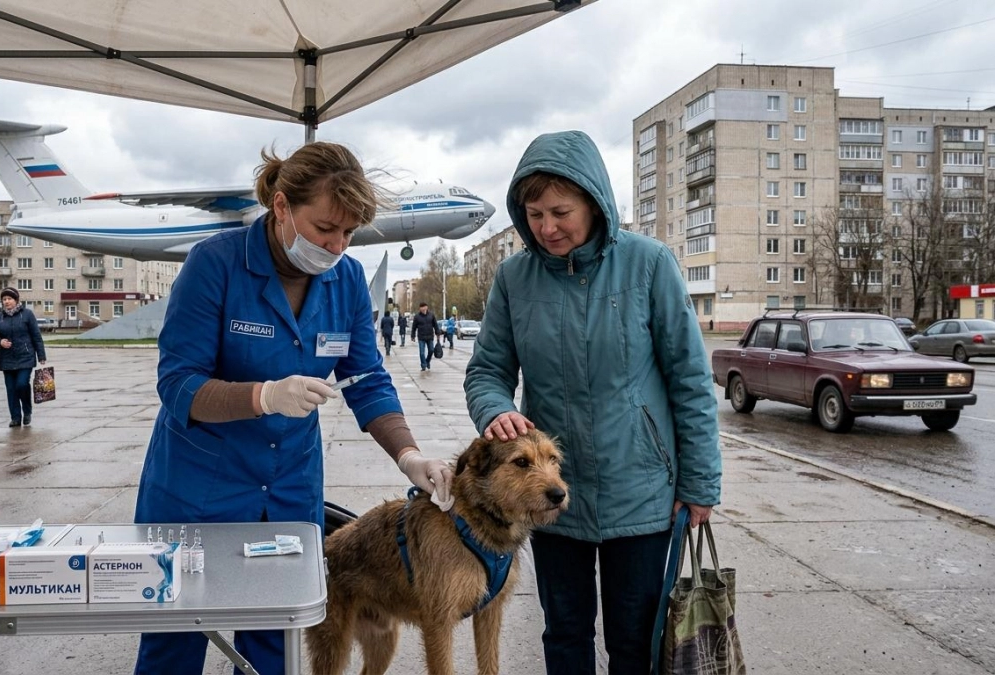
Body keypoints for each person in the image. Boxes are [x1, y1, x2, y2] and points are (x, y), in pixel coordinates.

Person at [133, 142, 454, 675]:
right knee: (176, 640)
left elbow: (366, 378)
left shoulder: (346, 280)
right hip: (199, 490)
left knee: (273, 642)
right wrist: (262, 396)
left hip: (287, 487)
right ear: (281, 206)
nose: (337, 245)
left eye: (349, 233)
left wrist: (409, 456)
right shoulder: (215, 263)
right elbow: (178, 384)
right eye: (325, 228)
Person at [464, 131, 721, 674]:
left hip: (640, 492)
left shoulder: (649, 264)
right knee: (564, 635)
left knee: (635, 642)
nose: (547, 228)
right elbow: (487, 371)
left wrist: (700, 482)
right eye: (534, 214)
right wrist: (494, 410)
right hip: (549, 495)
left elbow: (690, 380)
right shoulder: (513, 278)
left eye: (561, 212)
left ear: (595, 203)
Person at [0, 288, 46, 427]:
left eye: (9, 299)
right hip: (7, 358)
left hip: (25, 356)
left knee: (22, 384)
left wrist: (41, 355)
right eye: (4, 299)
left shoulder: (27, 314)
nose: (7, 301)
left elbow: (36, 336)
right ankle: (15, 417)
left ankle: (27, 411)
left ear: (16, 300)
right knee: (11, 389)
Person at [410, 302, 438, 371]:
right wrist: (413, 336)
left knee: (431, 350)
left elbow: (435, 325)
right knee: (422, 353)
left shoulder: (431, 315)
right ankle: (423, 365)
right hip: (421, 337)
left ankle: (427, 361)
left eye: (424, 307)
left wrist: (438, 332)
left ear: (427, 307)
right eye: (421, 307)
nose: (423, 309)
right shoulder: (417, 317)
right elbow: (414, 327)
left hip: (430, 336)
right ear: (420, 308)